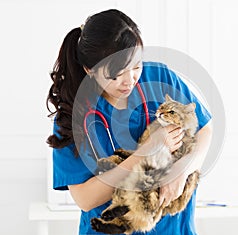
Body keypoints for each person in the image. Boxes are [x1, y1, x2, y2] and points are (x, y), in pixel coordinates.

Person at [47, 9, 212, 235]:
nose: (130, 80)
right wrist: (147, 152)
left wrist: (181, 170)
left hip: (173, 229)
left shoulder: (159, 78)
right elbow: (85, 199)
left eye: (136, 66)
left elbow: (205, 129)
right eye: (116, 75)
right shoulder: (73, 116)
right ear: (90, 71)